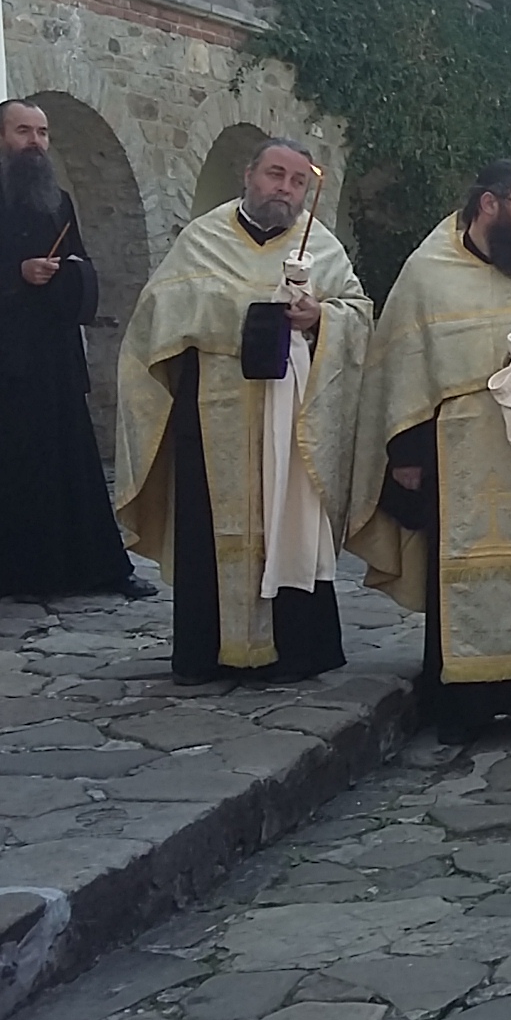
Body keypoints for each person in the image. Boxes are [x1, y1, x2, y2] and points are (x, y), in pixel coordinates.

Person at [347, 161, 511, 744]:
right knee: (460, 573)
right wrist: (406, 454)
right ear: (489, 204)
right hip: (455, 450)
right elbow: (401, 366)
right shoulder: (427, 271)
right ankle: (464, 705)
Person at [114, 138, 371, 685]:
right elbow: (156, 320)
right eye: (275, 174)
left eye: (297, 181)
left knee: (291, 522)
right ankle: (207, 652)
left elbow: (358, 313)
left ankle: (295, 651)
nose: (285, 188)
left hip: (294, 422)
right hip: (213, 417)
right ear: (249, 175)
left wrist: (320, 317)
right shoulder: (202, 239)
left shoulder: (320, 246)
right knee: (209, 532)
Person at [0, 99, 151, 603]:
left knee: (72, 469)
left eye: (42, 132)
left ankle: (96, 570)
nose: (35, 142)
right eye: (23, 131)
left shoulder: (58, 202)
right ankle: (20, 577)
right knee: (13, 472)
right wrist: (17, 274)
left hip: (54, 360)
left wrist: (66, 274)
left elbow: (82, 267)